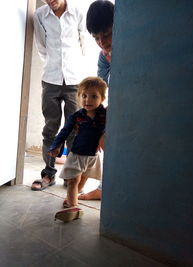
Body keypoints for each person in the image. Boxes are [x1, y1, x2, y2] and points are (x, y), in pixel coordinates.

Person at [31, 0, 86, 190]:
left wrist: (76, 69)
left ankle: (70, 177)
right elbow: (41, 46)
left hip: (74, 80)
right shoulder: (39, 15)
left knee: (74, 130)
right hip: (51, 79)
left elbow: (83, 43)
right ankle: (48, 174)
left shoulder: (78, 12)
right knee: (50, 129)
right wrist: (53, 67)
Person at [48, 76, 107, 222]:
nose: (88, 100)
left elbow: (109, 127)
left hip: (93, 155)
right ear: (79, 96)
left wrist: (104, 136)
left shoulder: (104, 115)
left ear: (102, 98)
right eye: (84, 96)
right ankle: (73, 207)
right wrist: (56, 146)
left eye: (94, 96)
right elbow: (64, 131)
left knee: (83, 177)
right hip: (77, 154)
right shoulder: (76, 116)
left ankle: (70, 199)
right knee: (73, 180)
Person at [78, 0, 114, 200]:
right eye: (96, 38)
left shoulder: (129, 49)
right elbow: (102, 89)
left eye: (106, 35)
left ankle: (105, 188)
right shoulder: (103, 56)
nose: (102, 42)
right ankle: (103, 187)